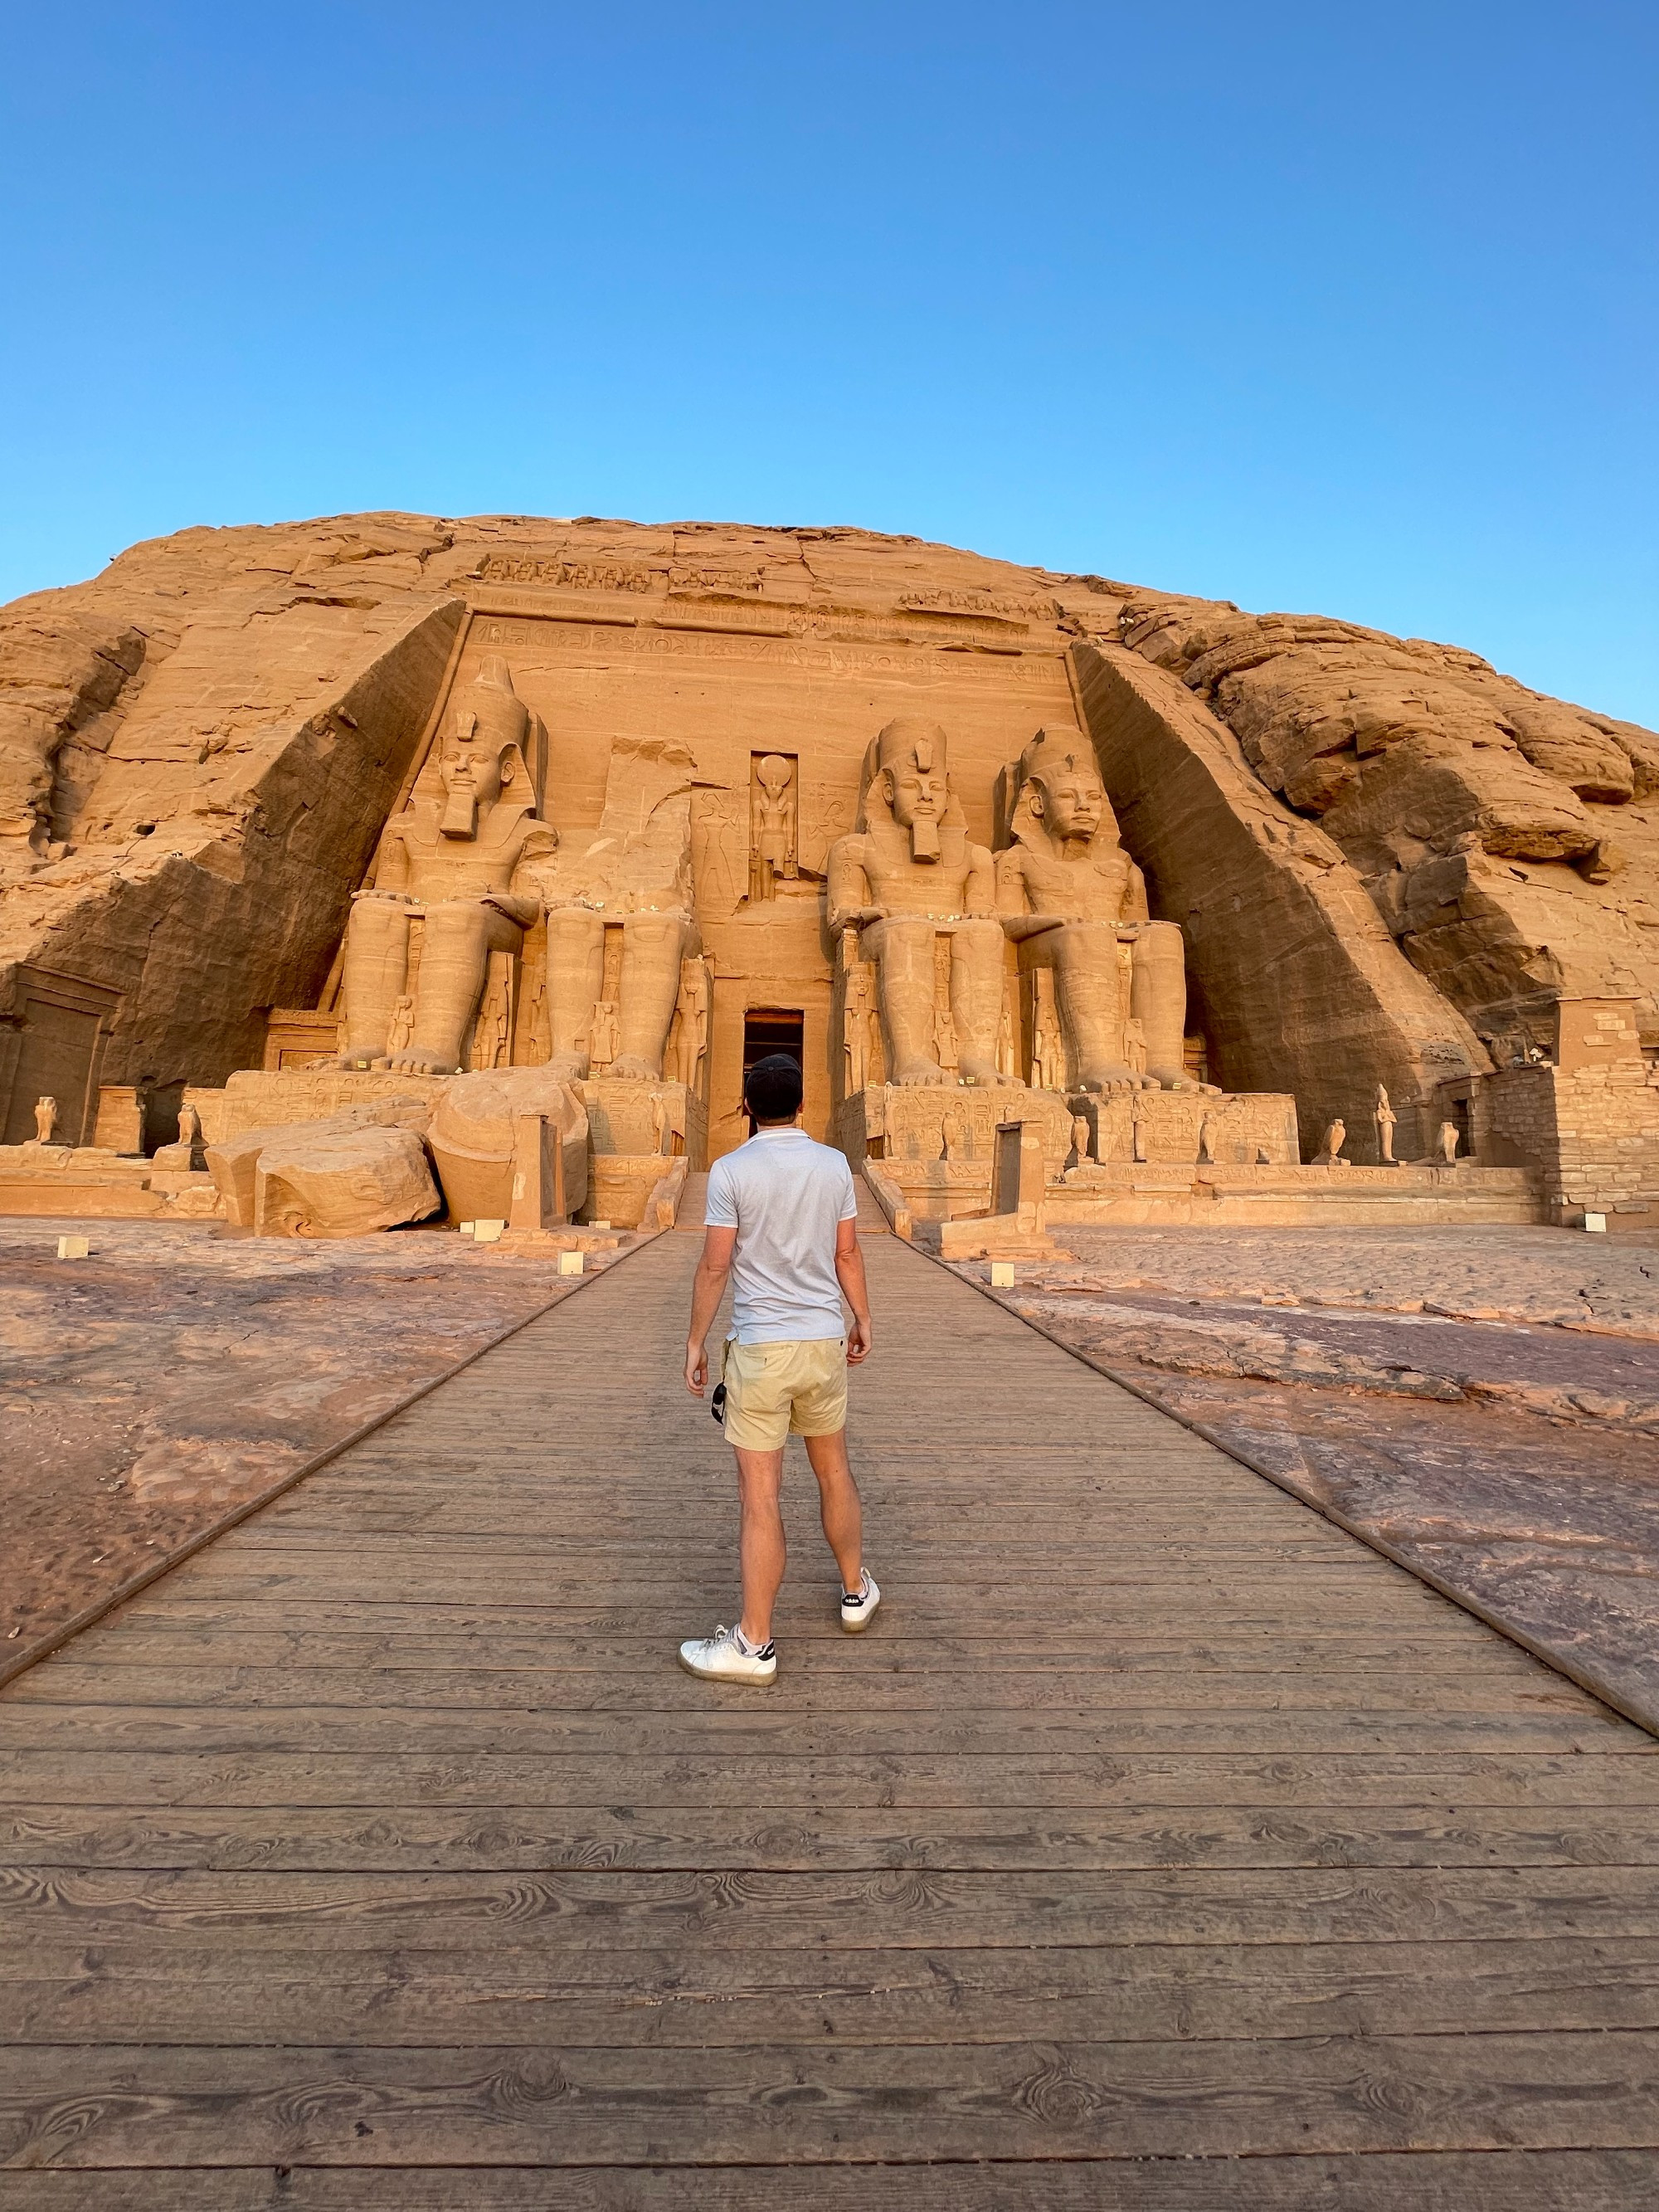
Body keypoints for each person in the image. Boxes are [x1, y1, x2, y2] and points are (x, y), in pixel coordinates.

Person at [681, 1053, 878, 1683]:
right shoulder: (832, 1164)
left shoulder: (731, 1171)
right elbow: (847, 1251)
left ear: (746, 1108)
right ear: (803, 1106)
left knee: (760, 1498)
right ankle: (855, 1592)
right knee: (834, 1470)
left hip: (762, 1348)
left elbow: (716, 1265)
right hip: (822, 1341)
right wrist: (863, 1318)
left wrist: (695, 1341)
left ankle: (755, 1643)